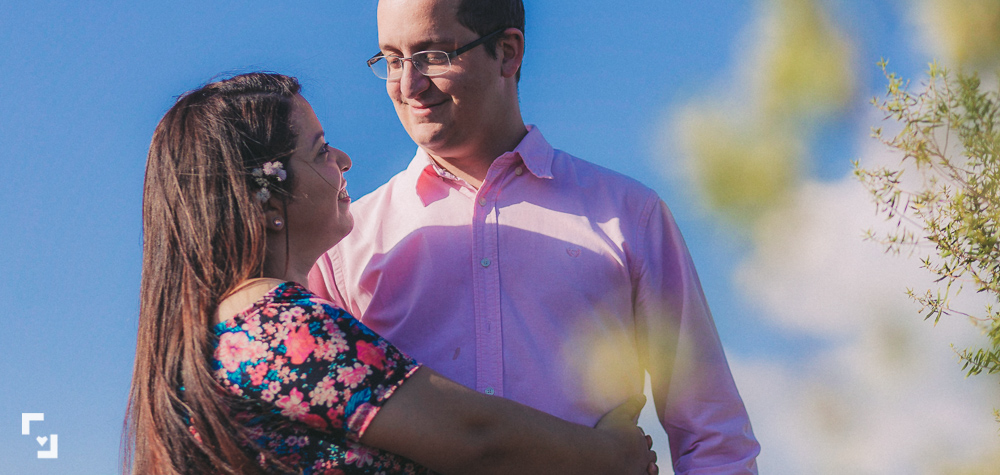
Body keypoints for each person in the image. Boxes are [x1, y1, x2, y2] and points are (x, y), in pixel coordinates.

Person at [309, 0, 761, 473]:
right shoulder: (345, 242)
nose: (408, 85)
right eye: (391, 59)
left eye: (432, 55)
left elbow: (712, 436)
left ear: (507, 51)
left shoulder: (628, 215)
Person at [124, 72, 658, 475]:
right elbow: (475, 437)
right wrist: (614, 452)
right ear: (265, 202)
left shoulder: (218, 334)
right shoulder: (281, 330)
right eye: (319, 150)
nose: (344, 159)